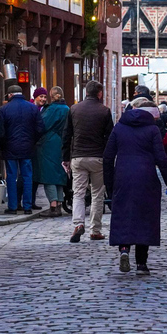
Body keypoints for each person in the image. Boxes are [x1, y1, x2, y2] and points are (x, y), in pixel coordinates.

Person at [104, 99, 167, 275]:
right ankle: (141, 264)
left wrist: (109, 185)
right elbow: (161, 158)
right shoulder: (152, 130)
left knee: (124, 213)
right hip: (146, 176)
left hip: (123, 175)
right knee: (145, 217)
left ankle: (124, 249)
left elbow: (107, 157)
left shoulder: (119, 128)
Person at [62, 80, 114, 242]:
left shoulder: (74, 109)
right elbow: (110, 138)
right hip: (98, 157)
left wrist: (65, 158)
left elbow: (66, 135)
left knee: (78, 192)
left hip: (78, 156)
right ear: (99, 93)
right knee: (98, 194)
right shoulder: (104, 111)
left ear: (86, 92)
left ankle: (78, 223)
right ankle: (95, 229)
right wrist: (109, 158)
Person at [0, 84, 45, 215]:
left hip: (10, 148)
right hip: (27, 147)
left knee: (11, 177)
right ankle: (27, 206)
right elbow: (41, 128)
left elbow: (0, 132)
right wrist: (32, 140)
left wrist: (3, 144)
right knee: (27, 176)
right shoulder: (32, 108)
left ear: (10, 95)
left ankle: (12, 207)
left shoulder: (4, 109)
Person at [34, 87, 69, 217]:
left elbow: (42, 125)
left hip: (49, 143)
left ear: (51, 96)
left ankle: (53, 205)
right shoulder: (67, 109)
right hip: (61, 142)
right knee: (59, 175)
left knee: (49, 176)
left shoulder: (53, 109)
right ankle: (59, 204)